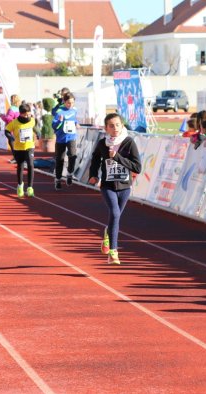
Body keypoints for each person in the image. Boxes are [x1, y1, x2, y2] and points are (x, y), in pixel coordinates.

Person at [89, 113, 141, 265]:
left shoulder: (129, 142)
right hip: (108, 186)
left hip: (125, 186)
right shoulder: (102, 144)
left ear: (122, 126)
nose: (115, 128)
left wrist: (117, 157)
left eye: (118, 125)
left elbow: (137, 167)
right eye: (111, 126)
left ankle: (107, 233)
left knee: (115, 218)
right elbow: (95, 160)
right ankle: (113, 251)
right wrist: (93, 175)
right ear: (106, 128)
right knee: (115, 214)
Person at [5, 103, 36, 198]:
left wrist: (38, 133)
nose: (27, 116)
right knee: (20, 167)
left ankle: (30, 188)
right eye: (25, 114)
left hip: (29, 146)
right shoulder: (14, 122)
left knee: (30, 165)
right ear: (20, 113)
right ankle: (20, 186)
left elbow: (35, 127)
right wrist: (11, 138)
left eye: (28, 114)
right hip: (18, 148)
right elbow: (6, 131)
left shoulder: (32, 121)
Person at [52, 92, 79, 190]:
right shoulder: (59, 112)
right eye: (68, 103)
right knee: (60, 159)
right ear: (64, 102)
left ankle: (70, 173)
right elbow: (53, 126)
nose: (70, 105)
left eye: (72, 103)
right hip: (61, 138)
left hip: (71, 137)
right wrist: (59, 121)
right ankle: (58, 179)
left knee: (73, 155)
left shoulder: (74, 110)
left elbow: (74, 120)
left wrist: (77, 123)